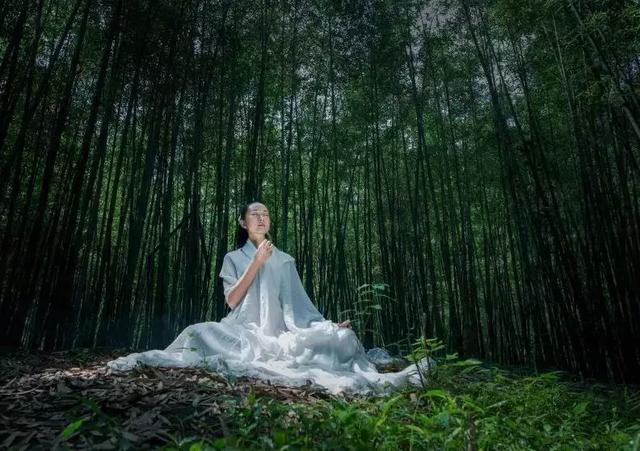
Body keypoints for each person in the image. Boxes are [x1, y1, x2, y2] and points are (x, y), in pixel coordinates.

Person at [107, 201, 434, 395]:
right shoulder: (233, 257)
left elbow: (300, 307)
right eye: (255, 214)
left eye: (265, 214)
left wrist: (327, 325)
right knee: (195, 332)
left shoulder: (285, 259)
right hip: (242, 330)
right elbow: (232, 301)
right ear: (243, 222)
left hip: (280, 334)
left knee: (342, 338)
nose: (261, 217)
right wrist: (256, 261)